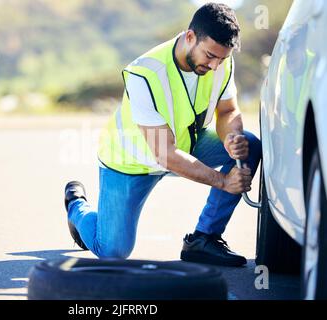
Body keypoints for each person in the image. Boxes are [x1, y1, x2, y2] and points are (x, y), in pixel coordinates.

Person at [64, 2, 262, 267]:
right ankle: (77, 206)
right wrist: (223, 181)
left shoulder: (221, 60)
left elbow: (227, 110)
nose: (215, 65)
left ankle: (204, 240)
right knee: (112, 251)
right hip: (132, 162)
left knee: (248, 143)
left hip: (185, 145)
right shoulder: (143, 73)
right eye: (210, 56)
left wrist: (231, 137)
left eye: (221, 59)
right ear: (190, 36)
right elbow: (164, 154)